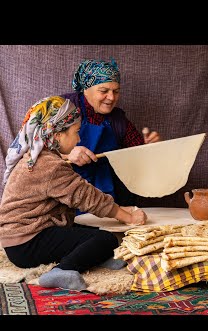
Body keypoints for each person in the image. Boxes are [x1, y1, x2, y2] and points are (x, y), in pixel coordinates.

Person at [0, 96, 148, 291]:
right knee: (106, 238)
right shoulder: (50, 166)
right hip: (26, 243)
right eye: (76, 132)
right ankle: (60, 271)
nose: (79, 139)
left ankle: (94, 258)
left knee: (89, 230)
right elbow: (88, 197)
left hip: (23, 238)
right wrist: (127, 217)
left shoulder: (38, 156)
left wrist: (119, 211)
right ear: (58, 134)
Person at [61, 58, 161, 205]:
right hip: (67, 194)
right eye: (104, 91)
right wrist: (65, 154)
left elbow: (139, 155)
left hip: (106, 196)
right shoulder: (61, 108)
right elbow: (28, 152)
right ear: (85, 89)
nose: (111, 97)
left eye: (116, 91)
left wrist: (149, 148)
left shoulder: (118, 119)